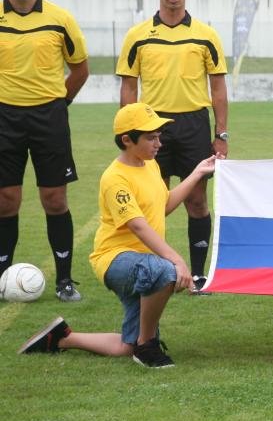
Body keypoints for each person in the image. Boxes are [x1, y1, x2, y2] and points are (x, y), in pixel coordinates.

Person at [19, 103, 216, 368]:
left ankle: (61, 339)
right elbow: (138, 226)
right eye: (150, 137)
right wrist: (178, 260)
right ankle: (147, 347)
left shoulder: (150, 165)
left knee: (127, 345)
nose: (158, 143)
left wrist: (197, 172)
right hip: (114, 260)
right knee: (165, 271)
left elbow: (163, 206)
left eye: (159, 136)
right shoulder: (115, 178)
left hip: (144, 264)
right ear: (127, 140)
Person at [117, 0, 226, 292]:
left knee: (196, 201)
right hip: (153, 127)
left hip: (194, 123)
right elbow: (128, 87)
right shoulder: (138, 36)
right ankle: (158, 272)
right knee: (154, 203)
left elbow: (218, 88)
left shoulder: (206, 35)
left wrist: (220, 134)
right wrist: (133, 134)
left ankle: (197, 274)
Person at [0, 0, 89, 302]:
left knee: (54, 199)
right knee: (6, 201)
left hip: (49, 118)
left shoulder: (59, 19)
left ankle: (64, 280)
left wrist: (59, 103)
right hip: (4, 118)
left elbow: (80, 69)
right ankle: (2, 277)